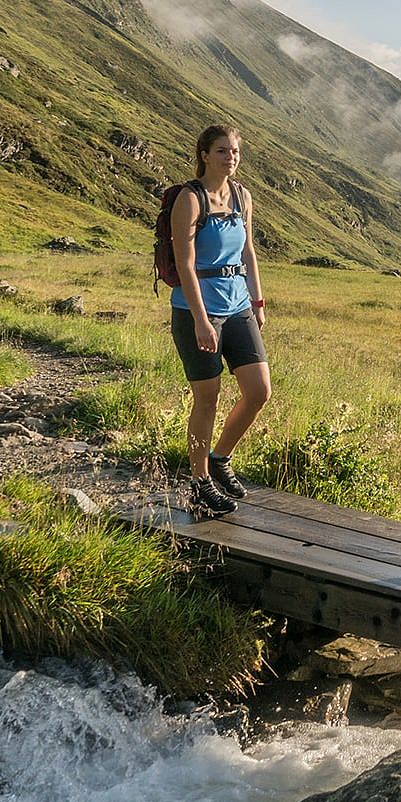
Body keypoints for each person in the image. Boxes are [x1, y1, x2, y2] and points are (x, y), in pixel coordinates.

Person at [169, 124, 271, 516]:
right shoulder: (189, 199)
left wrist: (258, 301)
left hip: (239, 304)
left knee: (259, 391)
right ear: (204, 155)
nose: (231, 157)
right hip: (198, 310)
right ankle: (199, 482)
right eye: (222, 151)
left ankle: (219, 458)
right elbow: (185, 264)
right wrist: (200, 319)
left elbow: (248, 252)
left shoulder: (242, 195)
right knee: (207, 399)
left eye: (235, 152)